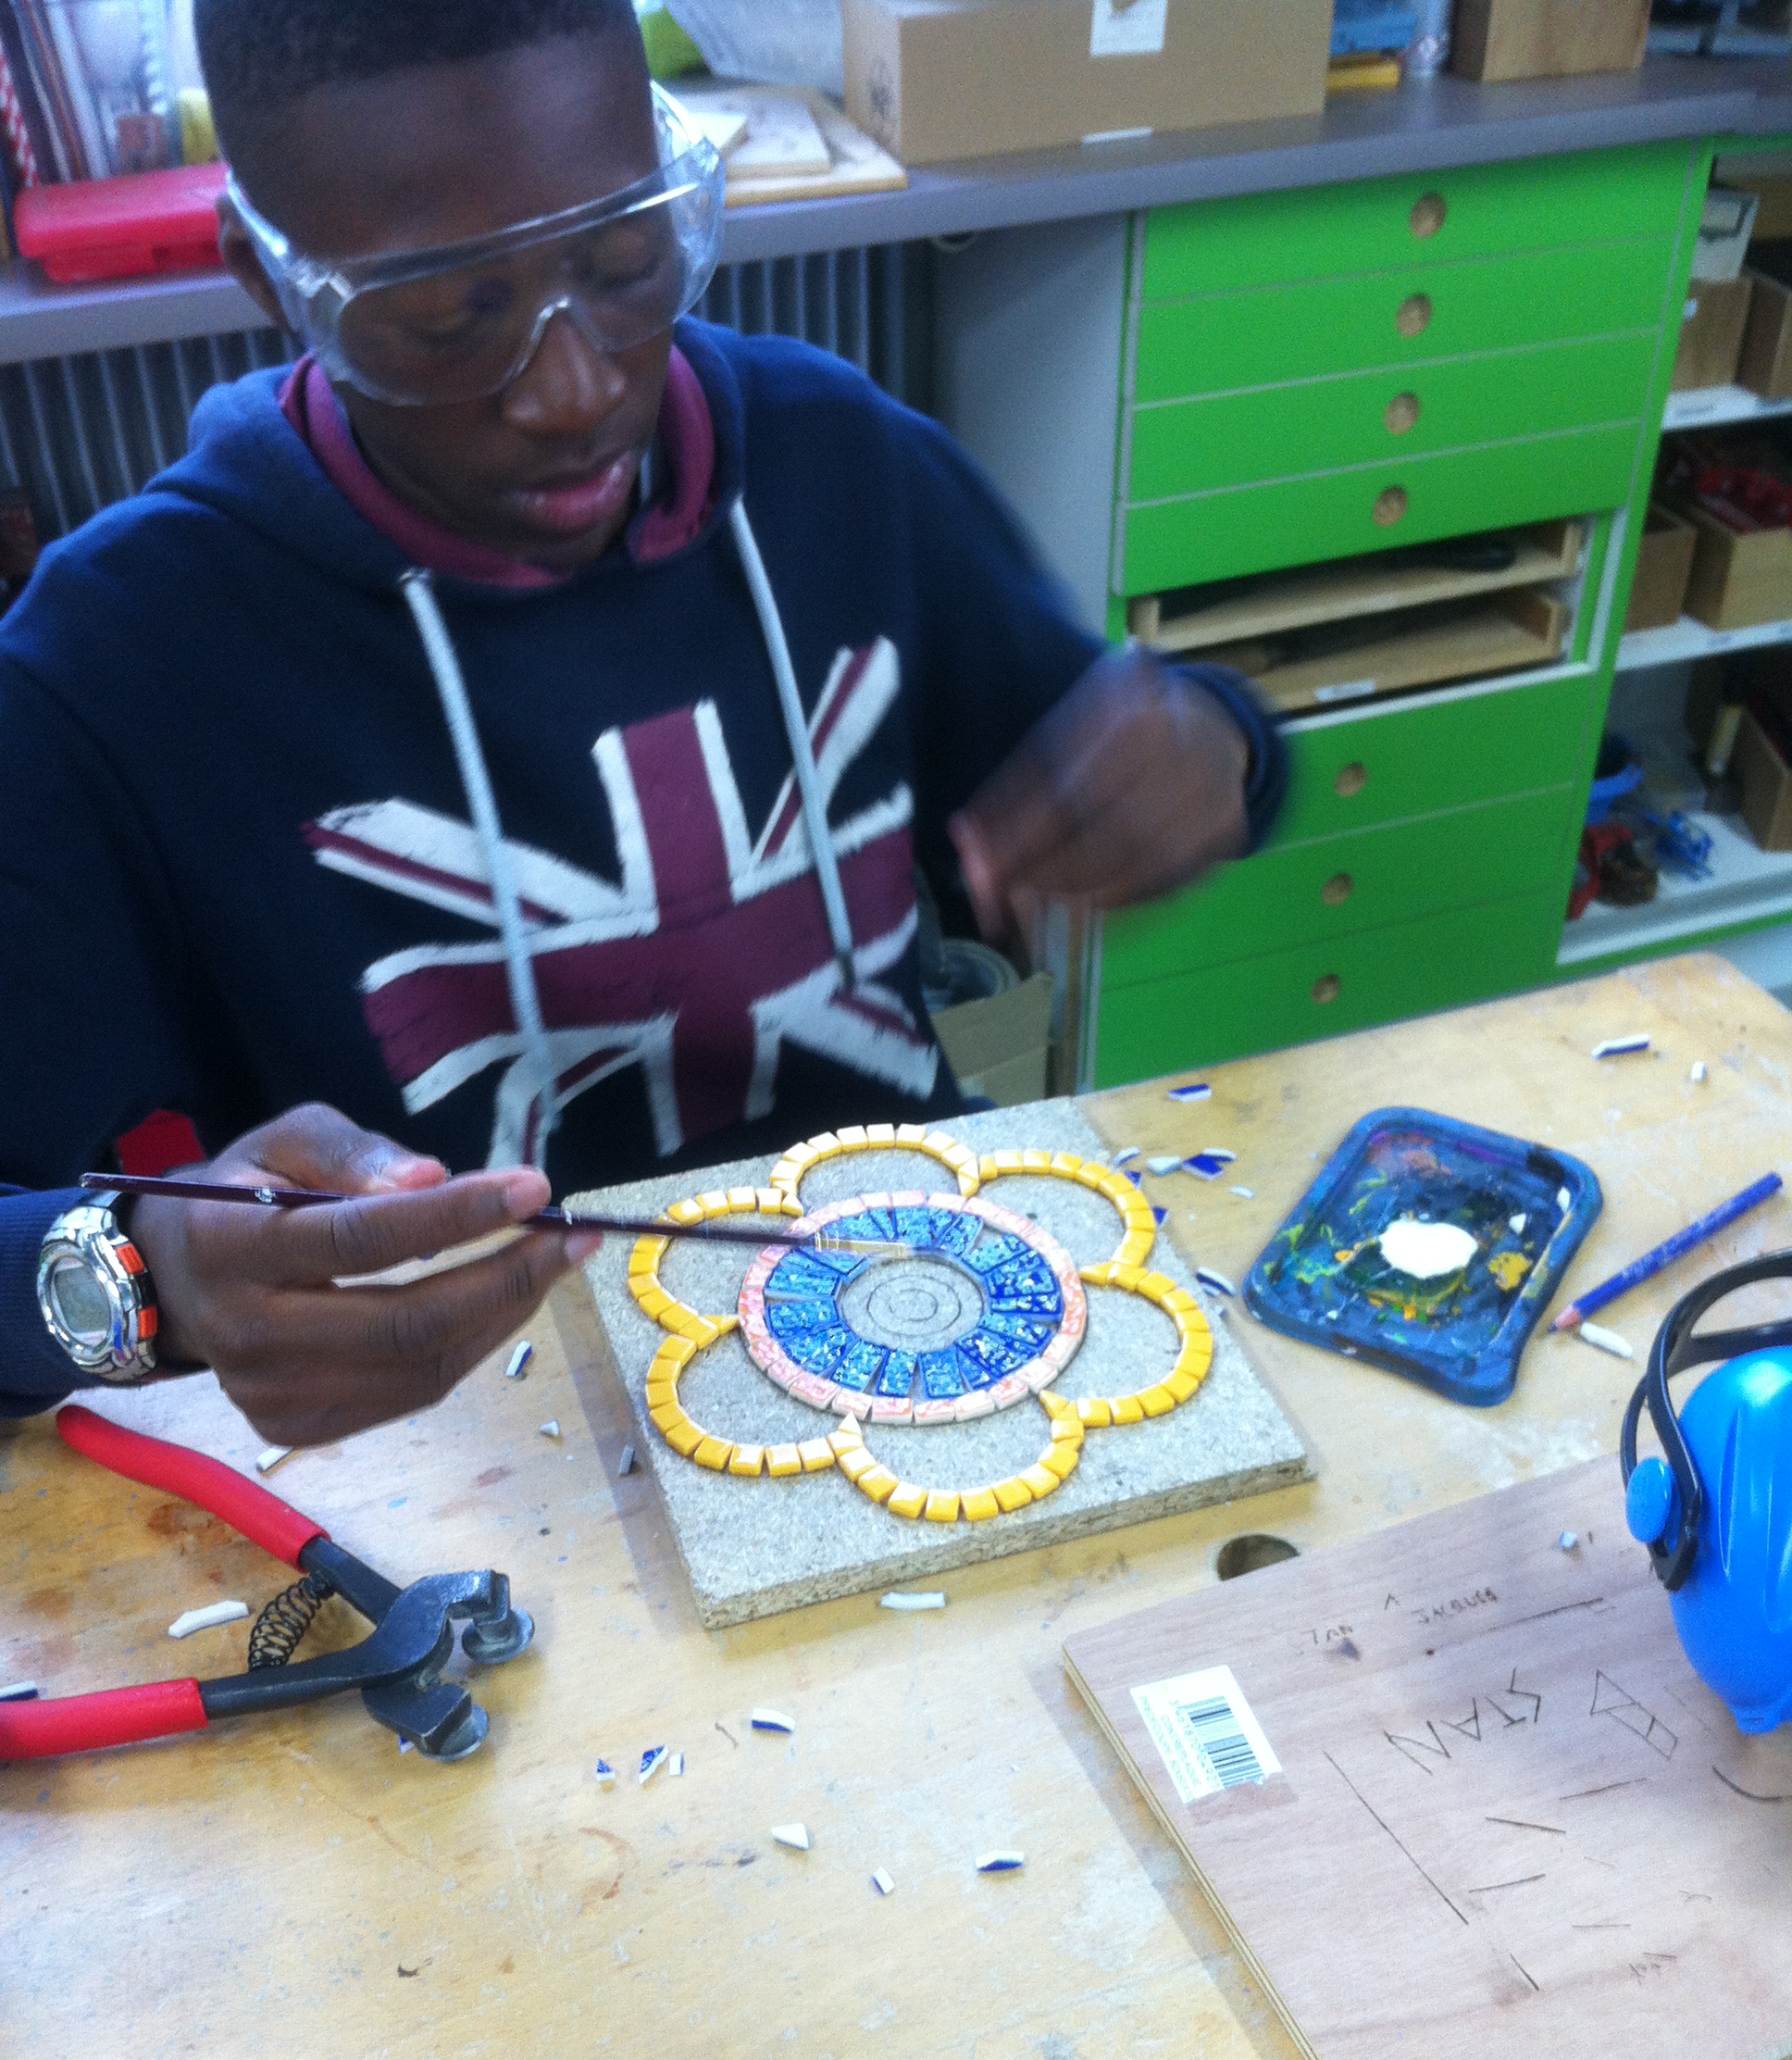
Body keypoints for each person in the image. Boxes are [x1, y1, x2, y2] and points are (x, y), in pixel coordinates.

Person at [0, 0, 1284, 1443]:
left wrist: (1212, 749)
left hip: (916, 1329)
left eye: (623, 261)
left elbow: (1168, 742)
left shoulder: (837, 464)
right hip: (466, 1443)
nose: (576, 390)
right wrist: (137, 1284)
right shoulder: (111, 667)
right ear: (270, 277)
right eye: (446, 318)